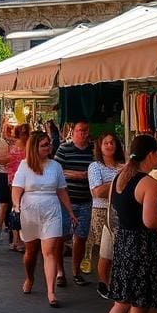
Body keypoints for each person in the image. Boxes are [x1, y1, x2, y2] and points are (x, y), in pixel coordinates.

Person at [10, 130, 76, 307]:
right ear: (35, 147)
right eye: (44, 145)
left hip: (51, 209)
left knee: (50, 251)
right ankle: (30, 277)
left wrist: (69, 211)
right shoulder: (25, 166)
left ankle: (51, 292)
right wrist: (16, 205)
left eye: (49, 144)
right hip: (30, 210)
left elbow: (62, 190)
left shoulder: (55, 166)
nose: (49, 147)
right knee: (31, 252)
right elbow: (16, 188)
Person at [107, 134, 157, 313]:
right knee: (138, 303)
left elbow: (114, 212)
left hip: (123, 241)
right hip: (142, 246)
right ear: (150, 155)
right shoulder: (150, 184)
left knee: (124, 301)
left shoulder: (118, 178)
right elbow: (149, 221)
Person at [54, 120, 97, 287]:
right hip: (66, 200)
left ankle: (76, 271)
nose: (83, 134)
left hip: (86, 200)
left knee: (81, 237)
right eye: (80, 130)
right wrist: (75, 175)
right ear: (74, 131)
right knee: (61, 237)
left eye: (85, 130)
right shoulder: (64, 149)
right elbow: (56, 170)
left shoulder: (93, 150)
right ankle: (59, 272)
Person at [85, 132, 126, 292]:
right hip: (102, 211)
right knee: (103, 249)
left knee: (119, 248)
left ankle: (117, 280)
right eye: (106, 143)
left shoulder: (123, 166)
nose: (110, 145)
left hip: (120, 210)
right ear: (100, 147)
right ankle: (103, 281)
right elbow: (98, 192)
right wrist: (118, 181)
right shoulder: (95, 167)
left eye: (112, 142)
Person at [6, 123, 30, 251]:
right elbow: (5, 162)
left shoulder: (29, 146)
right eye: (22, 133)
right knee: (17, 208)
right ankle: (17, 239)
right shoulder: (15, 146)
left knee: (22, 209)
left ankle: (18, 239)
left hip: (26, 181)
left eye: (27, 133)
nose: (25, 135)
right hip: (15, 181)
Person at [0, 121, 14, 243]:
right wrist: (17, 156)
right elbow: (0, 160)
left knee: (12, 205)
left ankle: (11, 232)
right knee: (4, 203)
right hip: (4, 176)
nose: (11, 131)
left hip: (12, 176)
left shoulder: (14, 142)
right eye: (8, 128)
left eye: (13, 128)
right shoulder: (2, 142)